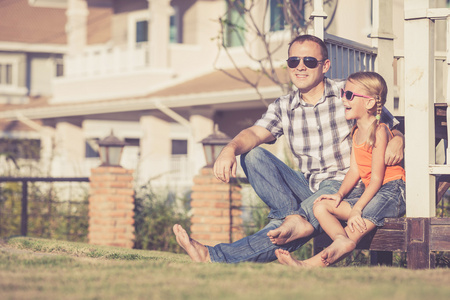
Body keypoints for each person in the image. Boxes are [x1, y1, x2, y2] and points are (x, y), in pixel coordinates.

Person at [173, 34, 404, 263]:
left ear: (325, 66)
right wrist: (229, 149)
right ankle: (293, 218)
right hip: (307, 184)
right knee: (252, 155)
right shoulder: (284, 106)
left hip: (342, 186)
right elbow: (254, 133)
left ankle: (215, 256)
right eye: (294, 61)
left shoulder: (348, 93)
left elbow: (388, 125)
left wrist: (398, 140)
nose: (300, 67)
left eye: (309, 61)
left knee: (288, 225)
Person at [275, 71, 406, 267]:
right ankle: (340, 239)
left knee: (357, 226)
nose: (343, 98)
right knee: (320, 206)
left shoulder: (379, 131)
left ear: (369, 103)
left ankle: (307, 265)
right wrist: (339, 194)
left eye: (350, 95)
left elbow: (378, 179)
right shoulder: (355, 131)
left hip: (392, 190)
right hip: (372, 191)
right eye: (344, 93)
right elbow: (354, 171)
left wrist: (357, 210)